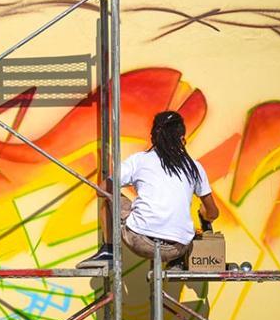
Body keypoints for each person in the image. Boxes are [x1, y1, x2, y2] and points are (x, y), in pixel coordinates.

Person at [77, 110, 218, 268]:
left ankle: (108, 251)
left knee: (109, 196)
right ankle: (176, 261)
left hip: (141, 243)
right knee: (184, 222)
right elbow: (213, 212)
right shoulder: (193, 167)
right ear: (182, 138)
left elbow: (101, 190)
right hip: (178, 248)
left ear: (153, 137)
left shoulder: (139, 160)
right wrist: (204, 216)